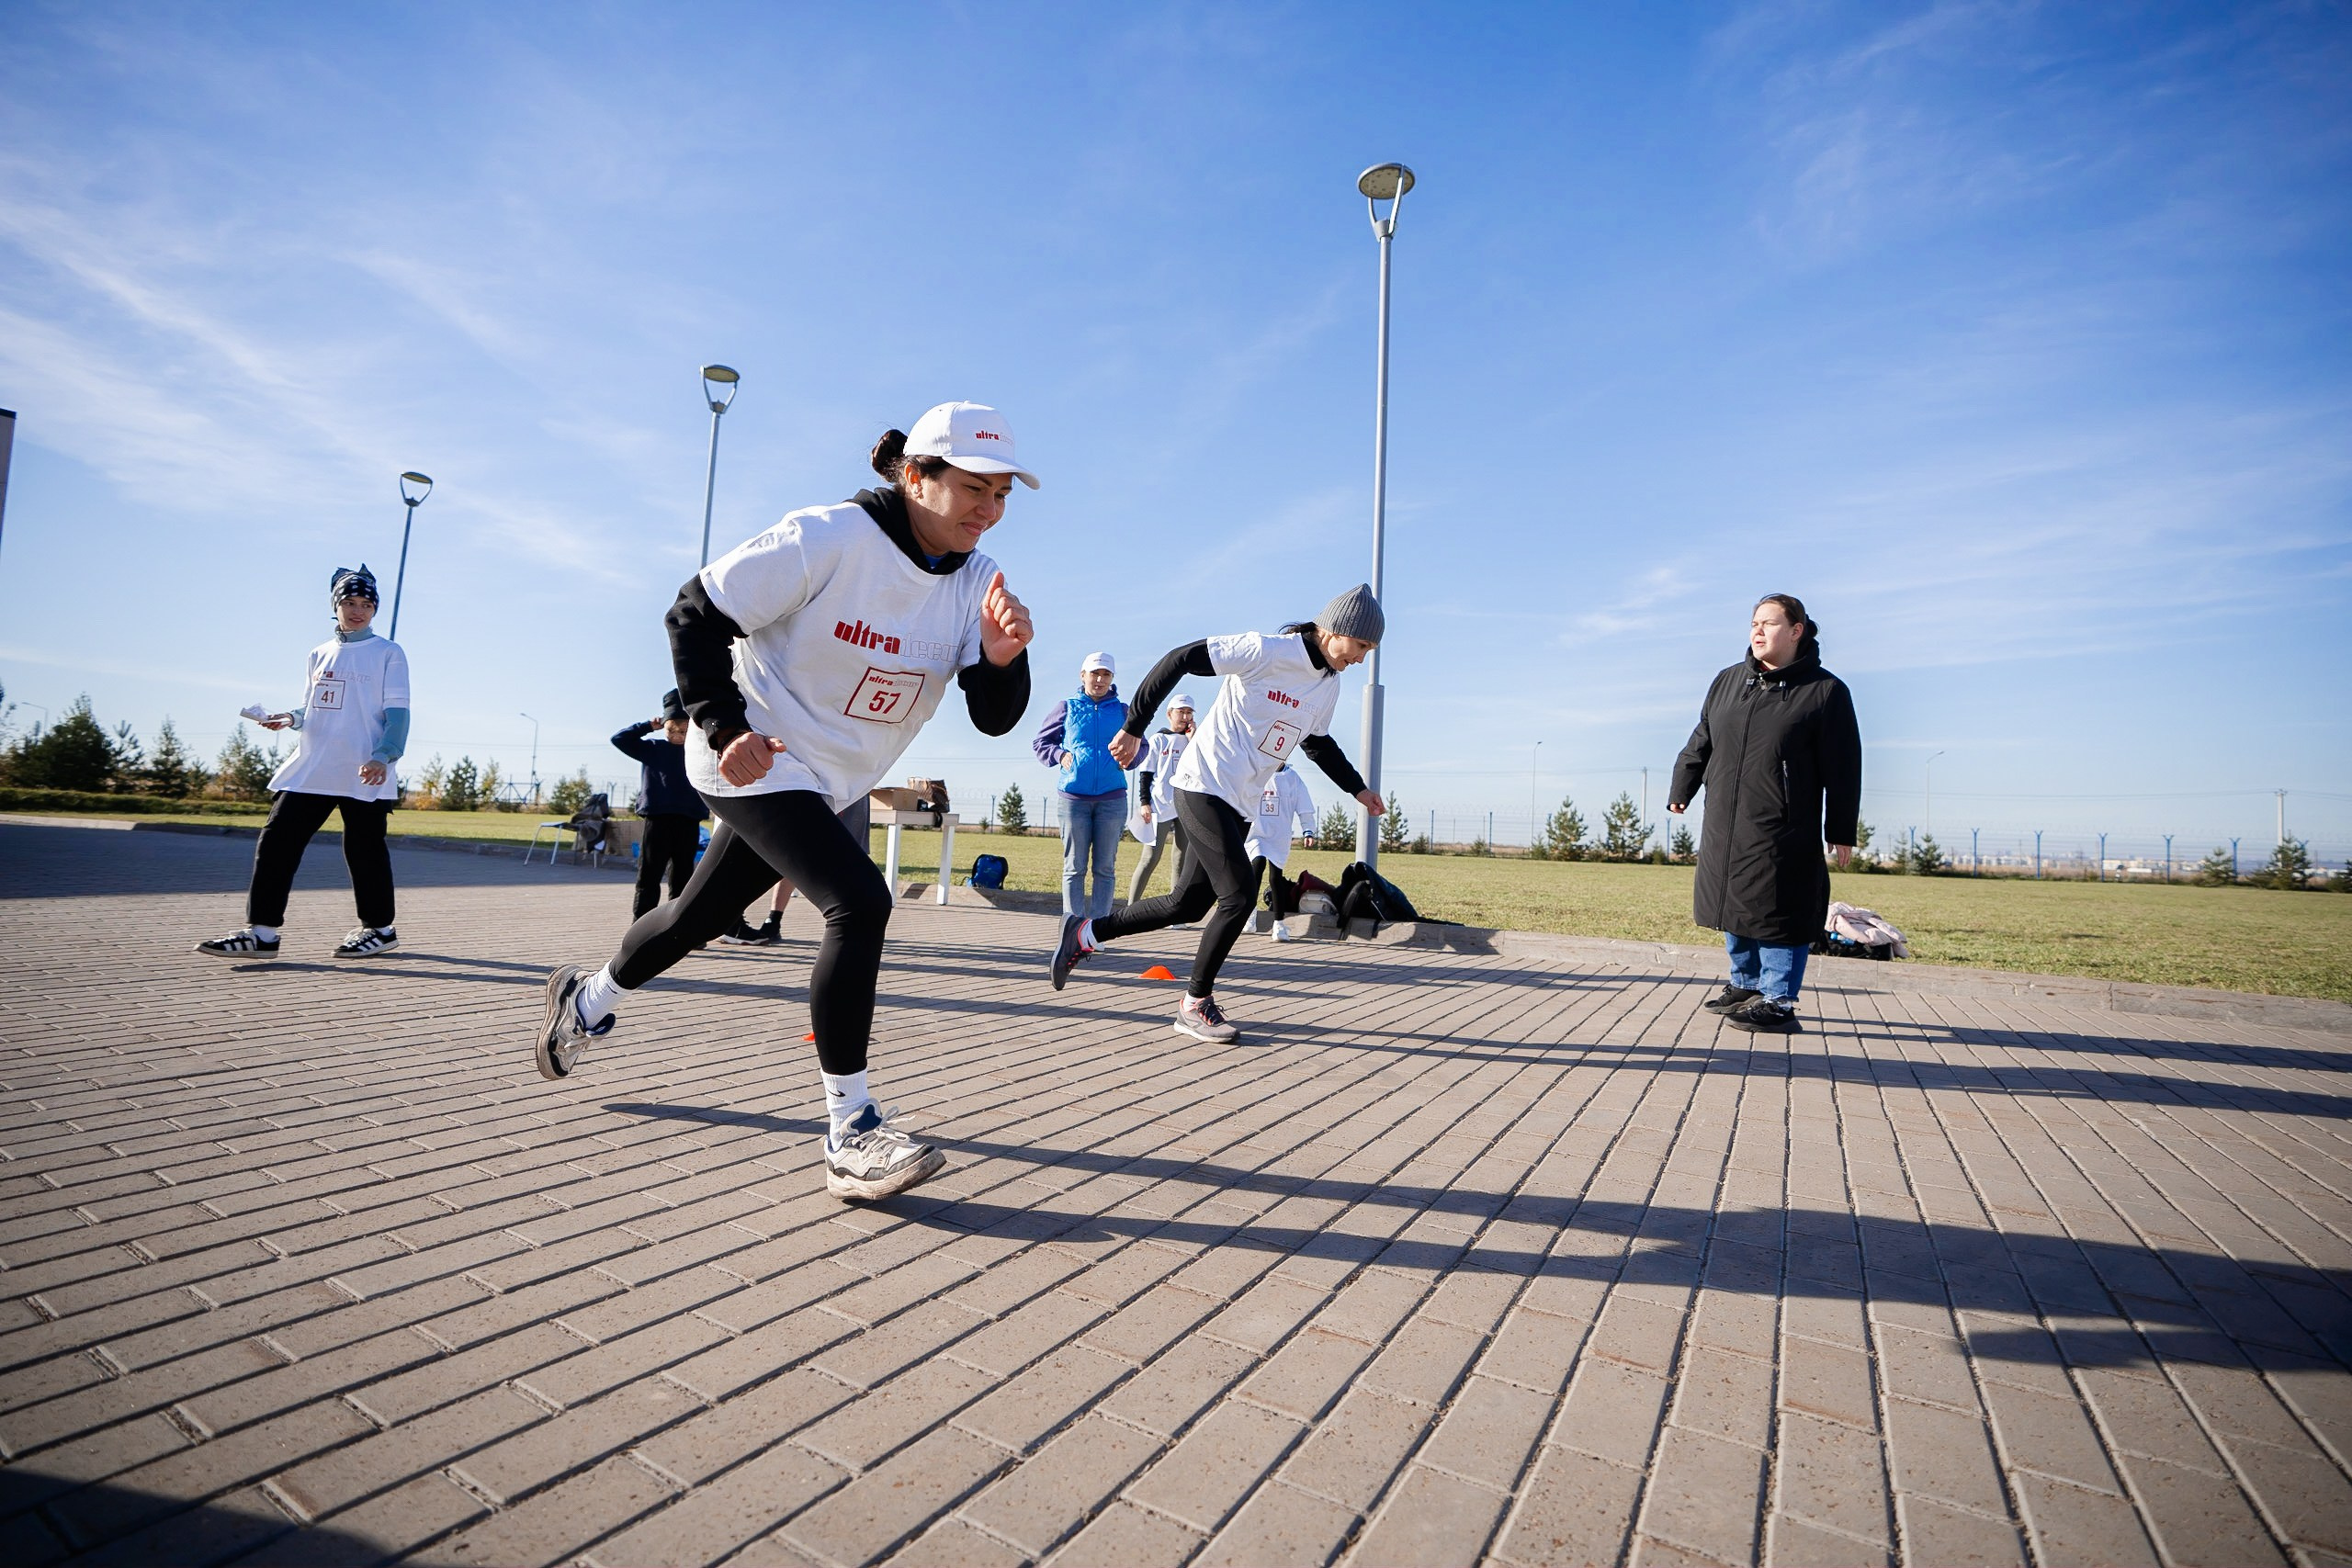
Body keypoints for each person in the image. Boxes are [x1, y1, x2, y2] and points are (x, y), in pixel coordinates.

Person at [535, 401, 1035, 1202]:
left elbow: (993, 713)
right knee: (860, 901)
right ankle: (852, 1130)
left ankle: (586, 998)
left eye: (1003, 492)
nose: (990, 509)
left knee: (695, 918)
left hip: (830, 779)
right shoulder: (830, 537)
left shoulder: (977, 581)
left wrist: (1006, 660)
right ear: (916, 476)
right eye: (974, 487)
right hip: (752, 755)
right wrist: (721, 720)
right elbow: (694, 610)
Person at [1048, 585, 1387, 1042]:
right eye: (1361, 646)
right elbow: (1180, 657)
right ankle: (1194, 1003)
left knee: (1187, 905)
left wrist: (1358, 789)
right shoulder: (1265, 650)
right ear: (1335, 630)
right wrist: (1133, 727)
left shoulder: (1328, 685)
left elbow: (1316, 742)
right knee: (1240, 896)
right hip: (1202, 784)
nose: (1362, 658)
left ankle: (1085, 933)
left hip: (1241, 801)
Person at [1668, 593, 1860, 1034]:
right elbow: (1703, 738)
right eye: (1754, 623)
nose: (1757, 631)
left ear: (1796, 631)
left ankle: (1778, 999)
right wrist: (1684, 785)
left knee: (1778, 907)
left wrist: (1841, 827)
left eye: (1769, 624)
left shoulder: (1825, 691)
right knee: (1734, 900)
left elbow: (1844, 766)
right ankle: (1745, 985)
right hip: (1725, 816)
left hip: (1782, 823)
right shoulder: (1728, 681)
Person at [198, 566, 410, 961]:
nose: (358, 610)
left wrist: (383, 755)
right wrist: (290, 719)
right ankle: (262, 933)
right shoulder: (319, 653)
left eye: (366, 604)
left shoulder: (388, 653)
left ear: (375, 609)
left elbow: (398, 714)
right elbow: (317, 706)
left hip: (365, 768)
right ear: (336, 605)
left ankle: (380, 930)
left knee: (363, 850)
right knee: (277, 840)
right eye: (350, 602)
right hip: (315, 765)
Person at [1032, 651, 1128, 920]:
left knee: (1105, 868)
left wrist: (1129, 757)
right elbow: (1041, 743)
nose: (1099, 679)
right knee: (1074, 867)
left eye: (1106, 674)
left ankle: (1096, 931)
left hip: (1113, 798)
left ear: (1112, 678)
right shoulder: (1066, 707)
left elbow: (1140, 745)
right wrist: (1060, 756)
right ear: (1082, 675)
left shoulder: (1123, 711)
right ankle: (1073, 928)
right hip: (1073, 799)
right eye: (1094, 673)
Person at [718, 795, 873, 947]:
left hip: (848, 790)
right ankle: (736, 921)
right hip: (817, 787)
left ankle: (767, 920)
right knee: (792, 850)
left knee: (843, 859)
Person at [611, 689, 707, 922]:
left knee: (683, 877)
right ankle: (641, 927)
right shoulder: (652, 749)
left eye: (683, 731)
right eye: (671, 729)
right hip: (657, 820)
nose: (677, 735)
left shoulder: (697, 750)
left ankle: (680, 928)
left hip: (688, 820)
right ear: (663, 726)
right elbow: (619, 739)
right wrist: (646, 726)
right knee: (649, 876)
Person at [1126, 691, 1194, 902]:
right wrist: (1144, 802)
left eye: (1189, 713)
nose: (1184, 717)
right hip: (1159, 805)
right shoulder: (1158, 739)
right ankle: (1130, 907)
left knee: (1181, 860)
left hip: (1185, 807)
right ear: (1169, 714)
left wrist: (1193, 741)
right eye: (1180, 712)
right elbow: (1146, 774)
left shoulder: (1195, 742)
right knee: (1150, 858)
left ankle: (1176, 912)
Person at [1247, 761, 1318, 941]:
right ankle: (1249, 916)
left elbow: (1305, 807)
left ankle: (1278, 924)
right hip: (1258, 832)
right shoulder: (1258, 773)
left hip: (1279, 836)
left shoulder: (1292, 779)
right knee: (1257, 865)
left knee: (1275, 877)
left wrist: (1308, 830)